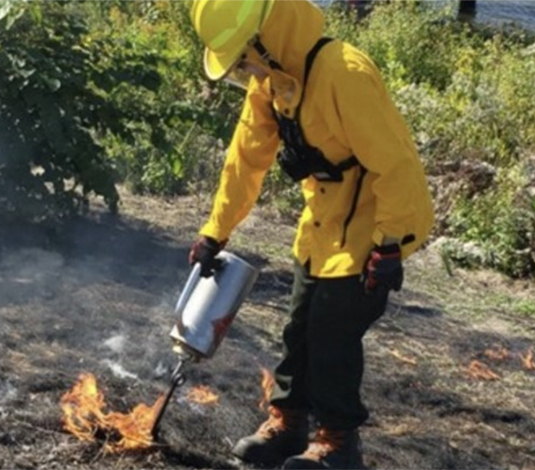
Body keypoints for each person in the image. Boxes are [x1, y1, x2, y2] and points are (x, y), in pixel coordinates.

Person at [187, 0, 435, 469]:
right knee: (299, 326)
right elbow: (246, 160)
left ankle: (339, 444)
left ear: (267, 37)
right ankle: (288, 424)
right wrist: (215, 231)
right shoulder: (274, 84)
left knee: (331, 331)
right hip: (322, 225)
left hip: (374, 223)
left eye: (244, 56)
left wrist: (390, 243)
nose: (245, 68)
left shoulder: (344, 72)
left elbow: (397, 164)